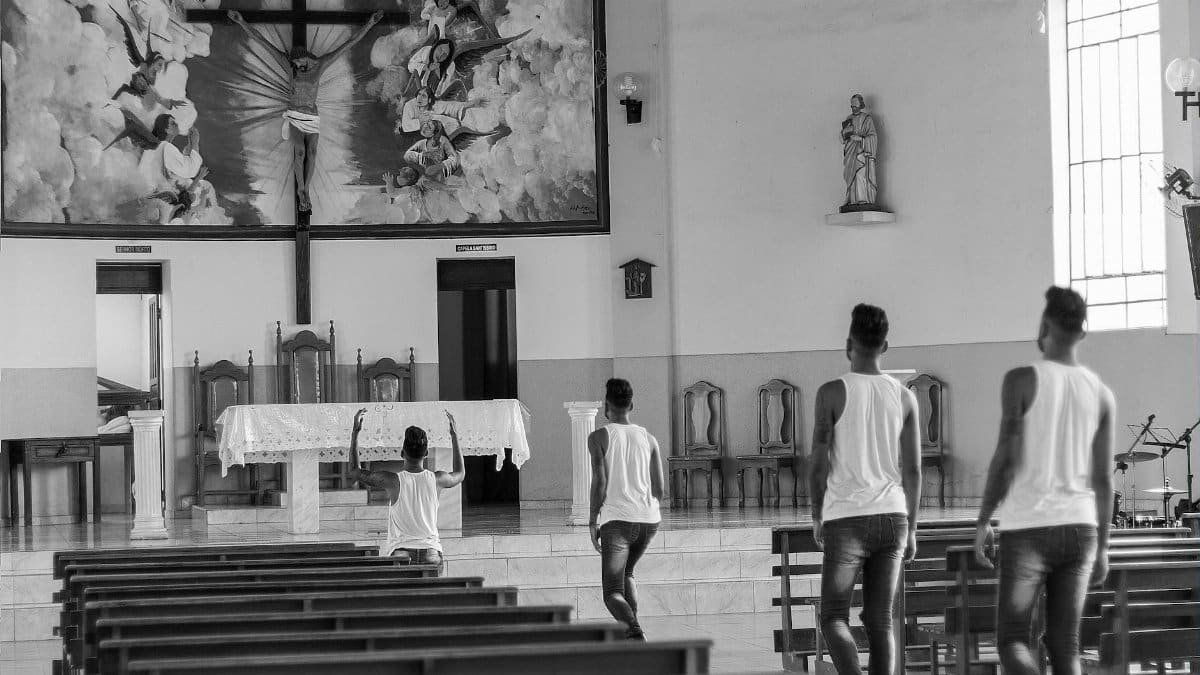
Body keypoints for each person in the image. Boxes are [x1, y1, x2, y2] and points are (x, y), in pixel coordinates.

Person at [973, 286, 1115, 674]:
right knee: (1065, 646)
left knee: (1013, 641)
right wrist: (1102, 546)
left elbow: (1005, 458)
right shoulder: (1101, 394)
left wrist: (985, 519)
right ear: (1082, 332)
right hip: (1081, 529)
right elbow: (1104, 481)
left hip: (1030, 528)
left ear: (1044, 324)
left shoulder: (1021, 380)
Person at [808, 304, 922, 675]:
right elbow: (915, 470)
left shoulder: (831, 393)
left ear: (848, 344)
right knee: (881, 622)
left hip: (846, 518)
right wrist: (913, 528)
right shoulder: (905, 397)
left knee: (834, 617)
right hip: (893, 518)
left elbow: (818, 462)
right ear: (885, 346)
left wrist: (816, 514)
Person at [228, 9, 384, 212]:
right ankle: (302, 190)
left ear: (303, 58)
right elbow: (261, 40)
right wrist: (242, 21)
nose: (295, 66)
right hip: (294, 115)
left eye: (297, 63)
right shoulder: (290, 66)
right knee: (300, 152)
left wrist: (370, 23)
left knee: (312, 151)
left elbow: (350, 43)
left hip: (311, 116)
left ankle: (306, 189)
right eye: (293, 64)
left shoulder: (320, 65)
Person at [588, 378, 664, 641]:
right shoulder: (650, 438)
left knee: (611, 592)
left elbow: (600, 481)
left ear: (606, 405)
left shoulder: (599, 436)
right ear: (632, 404)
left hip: (618, 521)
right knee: (628, 572)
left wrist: (591, 520)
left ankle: (635, 633)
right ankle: (631, 631)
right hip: (649, 521)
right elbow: (660, 489)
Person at [347, 408, 466, 572]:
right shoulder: (437, 479)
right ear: (426, 454)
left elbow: (354, 471)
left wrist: (355, 433)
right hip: (431, 552)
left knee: (400, 597)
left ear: (402, 453)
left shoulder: (392, 480)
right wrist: (454, 437)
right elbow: (460, 473)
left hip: (401, 552)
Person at [841, 94, 879, 211]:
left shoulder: (867, 119)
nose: (853, 108)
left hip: (862, 152)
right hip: (851, 152)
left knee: (860, 175)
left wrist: (861, 139)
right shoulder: (849, 118)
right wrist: (844, 134)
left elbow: (873, 137)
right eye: (852, 106)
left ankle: (863, 199)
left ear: (861, 105)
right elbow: (843, 138)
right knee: (851, 175)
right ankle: (852, 201)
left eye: (855, 105)